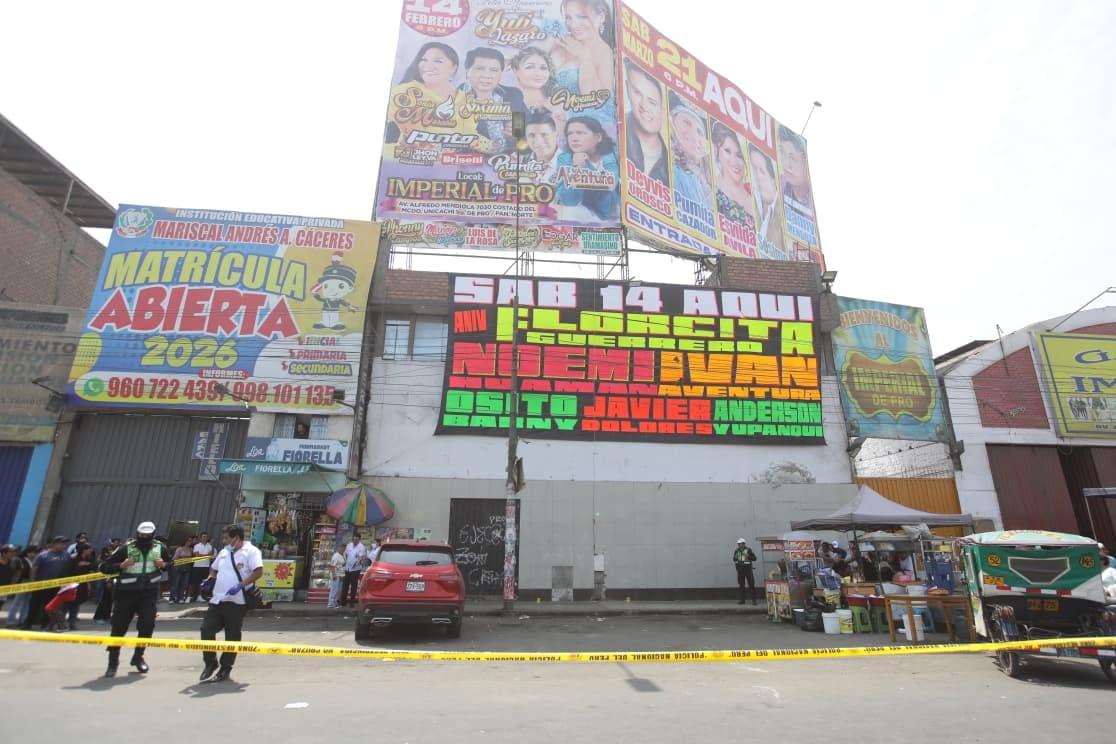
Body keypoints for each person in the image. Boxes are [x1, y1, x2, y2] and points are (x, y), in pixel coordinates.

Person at [97, 521, 173, 677]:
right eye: (141, 535)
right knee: (118, 628)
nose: (143, 537)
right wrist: (121, 565)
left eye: (146, 535)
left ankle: (138, 657)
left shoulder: (159, 548)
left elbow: (171, 564)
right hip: (126, 593)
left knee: (147, 625)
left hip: (149, 594)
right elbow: (104, 567)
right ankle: (113, 662)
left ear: (152, 535)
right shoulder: (126, 548)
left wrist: (164, 564)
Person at [384, 42, 484, 152]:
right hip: (408, 162)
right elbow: (387, 134)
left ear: (454, 68)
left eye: (438, 61)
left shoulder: (465, 99)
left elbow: (471, 135)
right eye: (424, 60)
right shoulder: (405, 92)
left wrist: (492, 146)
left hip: (450, 164)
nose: (428, 66)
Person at [198, 524, 264, 683]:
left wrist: (240, 585)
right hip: (217, 599)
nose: (224, 540)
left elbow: (258, 571)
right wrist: (210, 579)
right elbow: (213, 569)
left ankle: (225, 668)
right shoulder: (224, 552)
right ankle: (210, 662)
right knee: (206, 629)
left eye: (227, 538)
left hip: (237, 601)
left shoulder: (251, 551)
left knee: (232, 635)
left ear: (236, 538)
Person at [545, 0, 616, 120]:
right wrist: (547, 45)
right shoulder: (561, 42)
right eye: (569, 17)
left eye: (582, 17)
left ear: (601, 17)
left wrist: (585, 59)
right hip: (542, 124)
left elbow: (599, 106)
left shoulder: (605, 53)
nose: (573, 25)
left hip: (576, 127)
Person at [555, 115, 620, 222]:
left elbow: (609, 187)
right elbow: (569, 201)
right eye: (570, 133)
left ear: (598, 137)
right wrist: (577, 168)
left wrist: (586, 169)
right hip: (583, 213)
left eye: (580, 133)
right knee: (569, 212)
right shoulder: (564, 159)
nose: (574, 138)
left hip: (612, 214)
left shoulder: (613, 155)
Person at [459, 47, 524, 154]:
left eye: (494, 70)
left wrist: (516, 135)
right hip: (472, 163)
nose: (487, 75)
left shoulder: (513, 95)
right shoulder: (454, 98)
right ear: (467, 71)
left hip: (509, 162)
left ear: (501, 73)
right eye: (480, 68)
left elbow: (523, 129)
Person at [622, 59, 668, 186]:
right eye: (637, 92)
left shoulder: (672, 166)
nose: (643, 106)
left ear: (663, 112)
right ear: (627, 89)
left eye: (652, 102)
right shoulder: (615, 132)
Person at [711, 122, 757, 235]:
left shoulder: (757, 199)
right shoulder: (709, 187)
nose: (734, 161)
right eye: (727, 151)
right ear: (717, 151)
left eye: (739, 155)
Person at [509, 47, 566, 134]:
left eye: (543, 68)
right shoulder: (510, 103)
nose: (538, 74)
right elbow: (517, 137)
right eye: (529, 67)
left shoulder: (558, 101)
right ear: (515, 70)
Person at [670, 94, 713, 205]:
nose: (694, 136)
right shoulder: (666, 162)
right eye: (686, 123)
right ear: (672, 122)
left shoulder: (709, 177)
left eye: (699, 132)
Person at [22, 536, 72, 630]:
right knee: (34, 605)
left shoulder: (66, 555)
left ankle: (45, 624)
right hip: (40, 584)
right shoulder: (43, 555)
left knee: (49, 606)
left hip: (54, 586)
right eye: (62, 543)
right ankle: (28, 623)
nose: (64, 546)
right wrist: (33, 582)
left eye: (65, 544)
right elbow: (34, 568)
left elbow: (67, 568)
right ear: (55, 544)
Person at [748, 143, 786, 255]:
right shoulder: (750, 197)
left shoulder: (784, 215)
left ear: (774, 178)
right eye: (754, 169)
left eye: (762, 171)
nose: (757, 176)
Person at [777, 125, 813, 211]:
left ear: (805, 161)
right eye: (782, 152)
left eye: (792, 158)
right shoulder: (779, 185)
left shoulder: (813, 205)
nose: (786, 164)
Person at [523, 109, 562, 185]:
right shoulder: (520, 163)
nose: (538, 141)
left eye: (544, 135)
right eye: (531, 135)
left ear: (556, 135)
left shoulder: (571, 163)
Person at [65, 542, 97, 630]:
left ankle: (72, 623)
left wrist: (87, 566)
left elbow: (94, 566)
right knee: (66, 604)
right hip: (71, 585)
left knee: (76, 604)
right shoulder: (74, 558)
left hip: (82, 585)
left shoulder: (89, 558)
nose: (91, 550)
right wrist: (79, 566)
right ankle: (60, 623)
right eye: (89, 549)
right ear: (84, 550)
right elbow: (68, 571)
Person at [7, 545, 36, 628]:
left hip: (31, 583)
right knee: (17, 602)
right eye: (32, 552)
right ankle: (11, 621)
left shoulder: (34, 561)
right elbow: (20, 573)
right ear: (28, 553)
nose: (34, 554)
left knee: (27, 603)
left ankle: (22, 620)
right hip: (23, 582)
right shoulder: (22, 561)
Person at [342, 533, 367, 608]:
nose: (354, 541)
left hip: (356, 569)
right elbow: (345, 554)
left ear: (359, 539)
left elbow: (360, 557)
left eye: (356, 539)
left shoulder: (361, 547)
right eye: (353, 539)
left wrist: (357, 562)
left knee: (354, 586)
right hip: (347, 568)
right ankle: (343, 601)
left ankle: (352, 602)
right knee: (345, 585)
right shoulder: (349, 545)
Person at [190, 532, 215, 602]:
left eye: (206, 537)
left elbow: (211, 555)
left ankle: (200, 596)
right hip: (197, 566)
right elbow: (197, 555)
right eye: (203, 536)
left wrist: (205, 554)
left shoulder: (209, 546)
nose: (205, 538)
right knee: (195, 582)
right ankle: (192, 596)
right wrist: (206, 555)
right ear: (201, 538)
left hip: (206, 566)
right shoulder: (197, 546)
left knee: (203, 582)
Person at [170, 536, 195, 603]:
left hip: (187, 568)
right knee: (175, 583)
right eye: (188, 540)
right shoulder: (179, 549)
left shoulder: (190, 549)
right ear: (185, 541)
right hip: (178, 567)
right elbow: (174, 558)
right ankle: (172, 598)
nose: (189, 542)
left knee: (184, 584)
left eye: (191, 541)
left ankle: (180, 598)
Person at [732, 538, 758, 604]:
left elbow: (754, 558)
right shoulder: (736, 550)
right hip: (740, 570)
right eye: (739, 544)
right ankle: (742, 600)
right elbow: (734, 559)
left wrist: (748, 556)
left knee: (751, 584)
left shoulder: (748, 550)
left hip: (748, 569)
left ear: (744, 544)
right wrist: (735, 557)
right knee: (741, 585)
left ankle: (754, 600)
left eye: (741, 544)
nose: (740, 545)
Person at [327, 543, 345, 609]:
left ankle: (335, 603)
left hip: (341, 575)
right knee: (334, 589)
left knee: (338, 590)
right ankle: (331, 603)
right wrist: (334, 575)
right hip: (336, 575)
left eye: (344, 548)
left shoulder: (342, 555)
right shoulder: (336, 555)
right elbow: (331, 566)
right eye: (342, 548)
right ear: (339, 548)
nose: (343, 549)